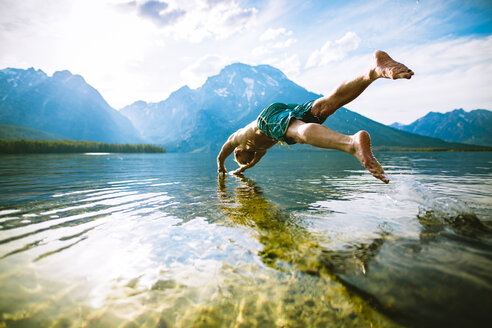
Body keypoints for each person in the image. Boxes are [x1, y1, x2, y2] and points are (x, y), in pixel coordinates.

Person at [217, 51, 414, 183]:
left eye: (240, 160)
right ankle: (373, 71)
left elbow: (225, 147)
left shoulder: (240, 138)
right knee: (325, 106)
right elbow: (250, 164)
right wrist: (239, 172)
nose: (244, 160)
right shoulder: (257, 152)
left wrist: (220, 166)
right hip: (282, 113)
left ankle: (351, 143)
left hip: (267, 119)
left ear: (237, 153)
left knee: (296, 132)